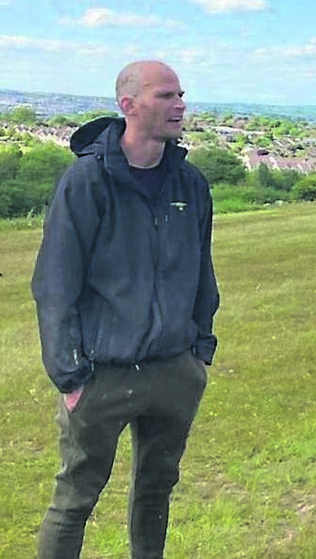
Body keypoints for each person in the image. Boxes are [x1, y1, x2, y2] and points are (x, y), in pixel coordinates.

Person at [32, 60, 219, 558]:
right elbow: (55, 283)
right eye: (166, 96)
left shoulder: (190, 184)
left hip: (174, 369)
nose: (179, 105)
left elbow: (202, 271)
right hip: (103, 373)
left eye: (181, 95)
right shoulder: (86, 181)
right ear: (129, 105)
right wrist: (69, 375)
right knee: (74, 499)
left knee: (157, 489)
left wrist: (199, 350)